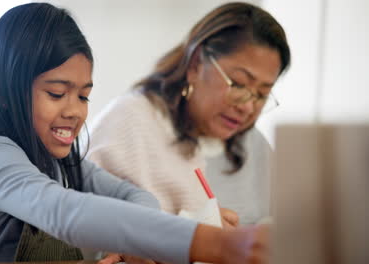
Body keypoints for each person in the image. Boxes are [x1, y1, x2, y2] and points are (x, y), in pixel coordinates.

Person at [0, 3, 269, 264]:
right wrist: (218, 243)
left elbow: (135, 197)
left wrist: (136, 242)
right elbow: (64, 213)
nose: (75, 110)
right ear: (3, 94)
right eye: (57, 93)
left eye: (84, 95)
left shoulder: (65, 163)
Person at [87, 2, 290, 225]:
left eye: (262, 94)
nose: (248, 107)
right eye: (239, 84)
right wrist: (188, 233)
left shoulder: (254, 144)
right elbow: (89, 227)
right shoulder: (129, 123)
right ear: (195, 65)